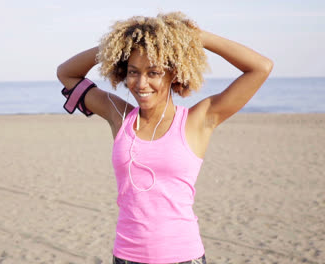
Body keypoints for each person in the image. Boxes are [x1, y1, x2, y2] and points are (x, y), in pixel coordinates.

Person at [56, 12, 273, 264]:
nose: (141, 83)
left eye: (154, 72)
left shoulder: (197, 120)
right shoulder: (119, 116)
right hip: (126, 257)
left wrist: (198, 38)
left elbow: (260, 67)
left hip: (183, 257)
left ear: (173, 73)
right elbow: (66, 74)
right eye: (133, 72)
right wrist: (117, 43)